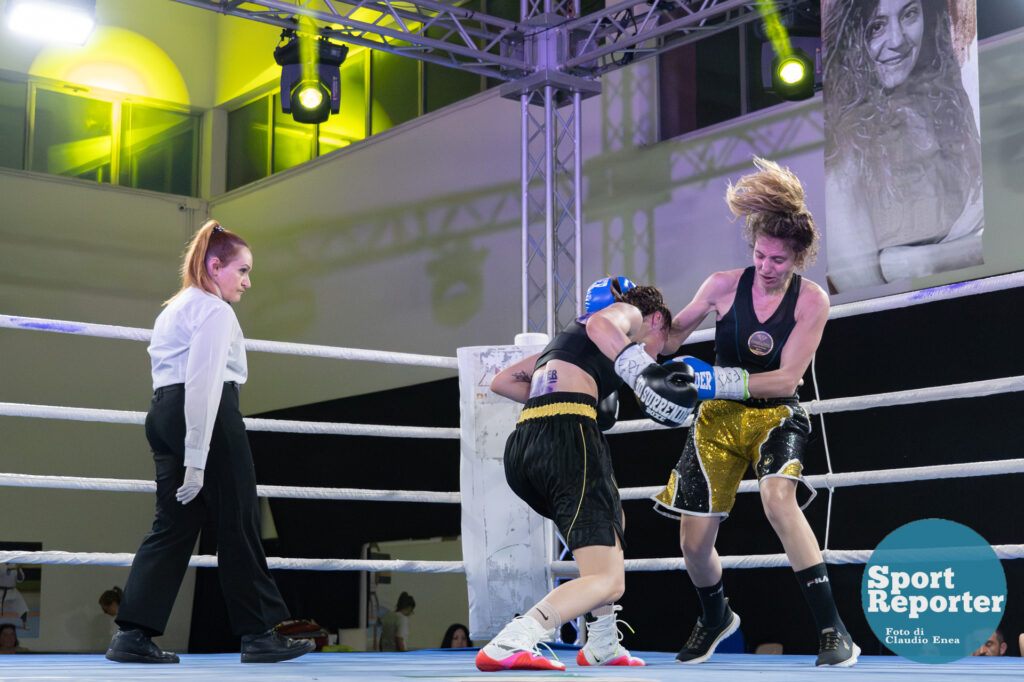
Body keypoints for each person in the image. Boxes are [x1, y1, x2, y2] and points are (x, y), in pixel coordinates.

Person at [652, 157, 859, 667]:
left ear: (799, 258)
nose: (767, 267)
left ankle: (834, 631)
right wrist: (637, 322)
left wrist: (711, 378)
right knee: (693, 540)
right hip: (717, 420)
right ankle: (716, 615)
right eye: (761, 256)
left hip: (775, 415)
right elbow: (671, 338)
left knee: (776, 499)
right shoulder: (722, 284)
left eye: (778, 260)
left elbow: (788, 378)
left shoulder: (812, 302)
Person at [106, 219, 314, 665]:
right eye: (241, 270)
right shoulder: (214, 311)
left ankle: (132, 633)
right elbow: (204, 384)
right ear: (214, 265)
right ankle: (260, 633)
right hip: (206, 413)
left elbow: (178, 384)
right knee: (238, 519)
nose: (248, 281)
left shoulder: (174, 308)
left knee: (175, 524)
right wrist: (198, 459)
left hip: (163, 411)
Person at [477, 279, 697, 672]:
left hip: (526, 446)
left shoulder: (567, 342)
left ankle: (602, 642)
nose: (658, 356)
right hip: (569, 440)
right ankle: (515, 639)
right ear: (655, 319)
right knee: (609, 580)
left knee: (611, 526)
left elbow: (503, 381)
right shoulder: (627, 315)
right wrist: (642, 370)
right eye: (659, 346)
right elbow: (604, 326)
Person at [822, 0, 983, 291]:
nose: (897, 41)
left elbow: (989, 238)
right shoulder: (845, 147)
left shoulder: (950, 103)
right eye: (877, 26)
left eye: (909, 14)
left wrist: (922, 261)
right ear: (852, 37)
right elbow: (859, 286)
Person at [0, 564, 29, 630]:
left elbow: (20, 579)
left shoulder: (15, 564)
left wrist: (18, 570)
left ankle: (25, 622)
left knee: (22, 604)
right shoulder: (1, 562)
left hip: (12, 590)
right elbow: (4, 571)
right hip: (0, 590)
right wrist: (10, 568)